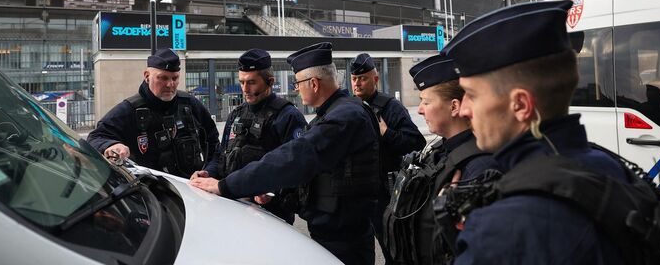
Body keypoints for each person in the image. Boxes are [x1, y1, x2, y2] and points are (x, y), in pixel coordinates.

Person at [437, 0, 660, 264]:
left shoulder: (504, 229)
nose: (464, 110)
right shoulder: (612, 168)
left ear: (520, 105)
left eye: (471, 95)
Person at [190, 42, 381, 265]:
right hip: (332, 230)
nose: (296, 88)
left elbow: (295, 158)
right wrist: (273, 193)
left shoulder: (344, 116)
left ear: (314, 83)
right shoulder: (334, 113)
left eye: (298, 82)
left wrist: (225, 186)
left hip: (344, 238)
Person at [383, 54, 497, 265]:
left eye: (426, 101)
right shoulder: (438, 150)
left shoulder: (477, 167)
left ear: (454, 107)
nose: (419, 109)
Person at [191, 48, 307, 224]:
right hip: (231, 209)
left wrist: (273, 191)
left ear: (270, 81)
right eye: (242, 82)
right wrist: (208, 172)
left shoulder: (288, 116)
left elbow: (297, 169)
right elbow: (221, 155)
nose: (245, 89)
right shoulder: (236, 114)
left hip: (272, 218)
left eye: (251, 82)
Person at [87, 48, 219, 178]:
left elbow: (214, 143)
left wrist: (209, 172)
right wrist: (111, 145)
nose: (170, 84)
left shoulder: (190, 104)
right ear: (147, 76)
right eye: (163, 78)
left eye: (175, 78)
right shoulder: (129, 110)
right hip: (151, 194)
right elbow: (95, 138)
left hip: (192, 191)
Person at [350, 53, 425, 261]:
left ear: (375, 79)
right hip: (361, 191)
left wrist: (387, 134)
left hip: (386, 193)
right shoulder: (350, 107)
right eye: (354, 79)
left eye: (363, 78)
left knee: (393, 248)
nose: (357, 83)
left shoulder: (390, 107)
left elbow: (417, 142)